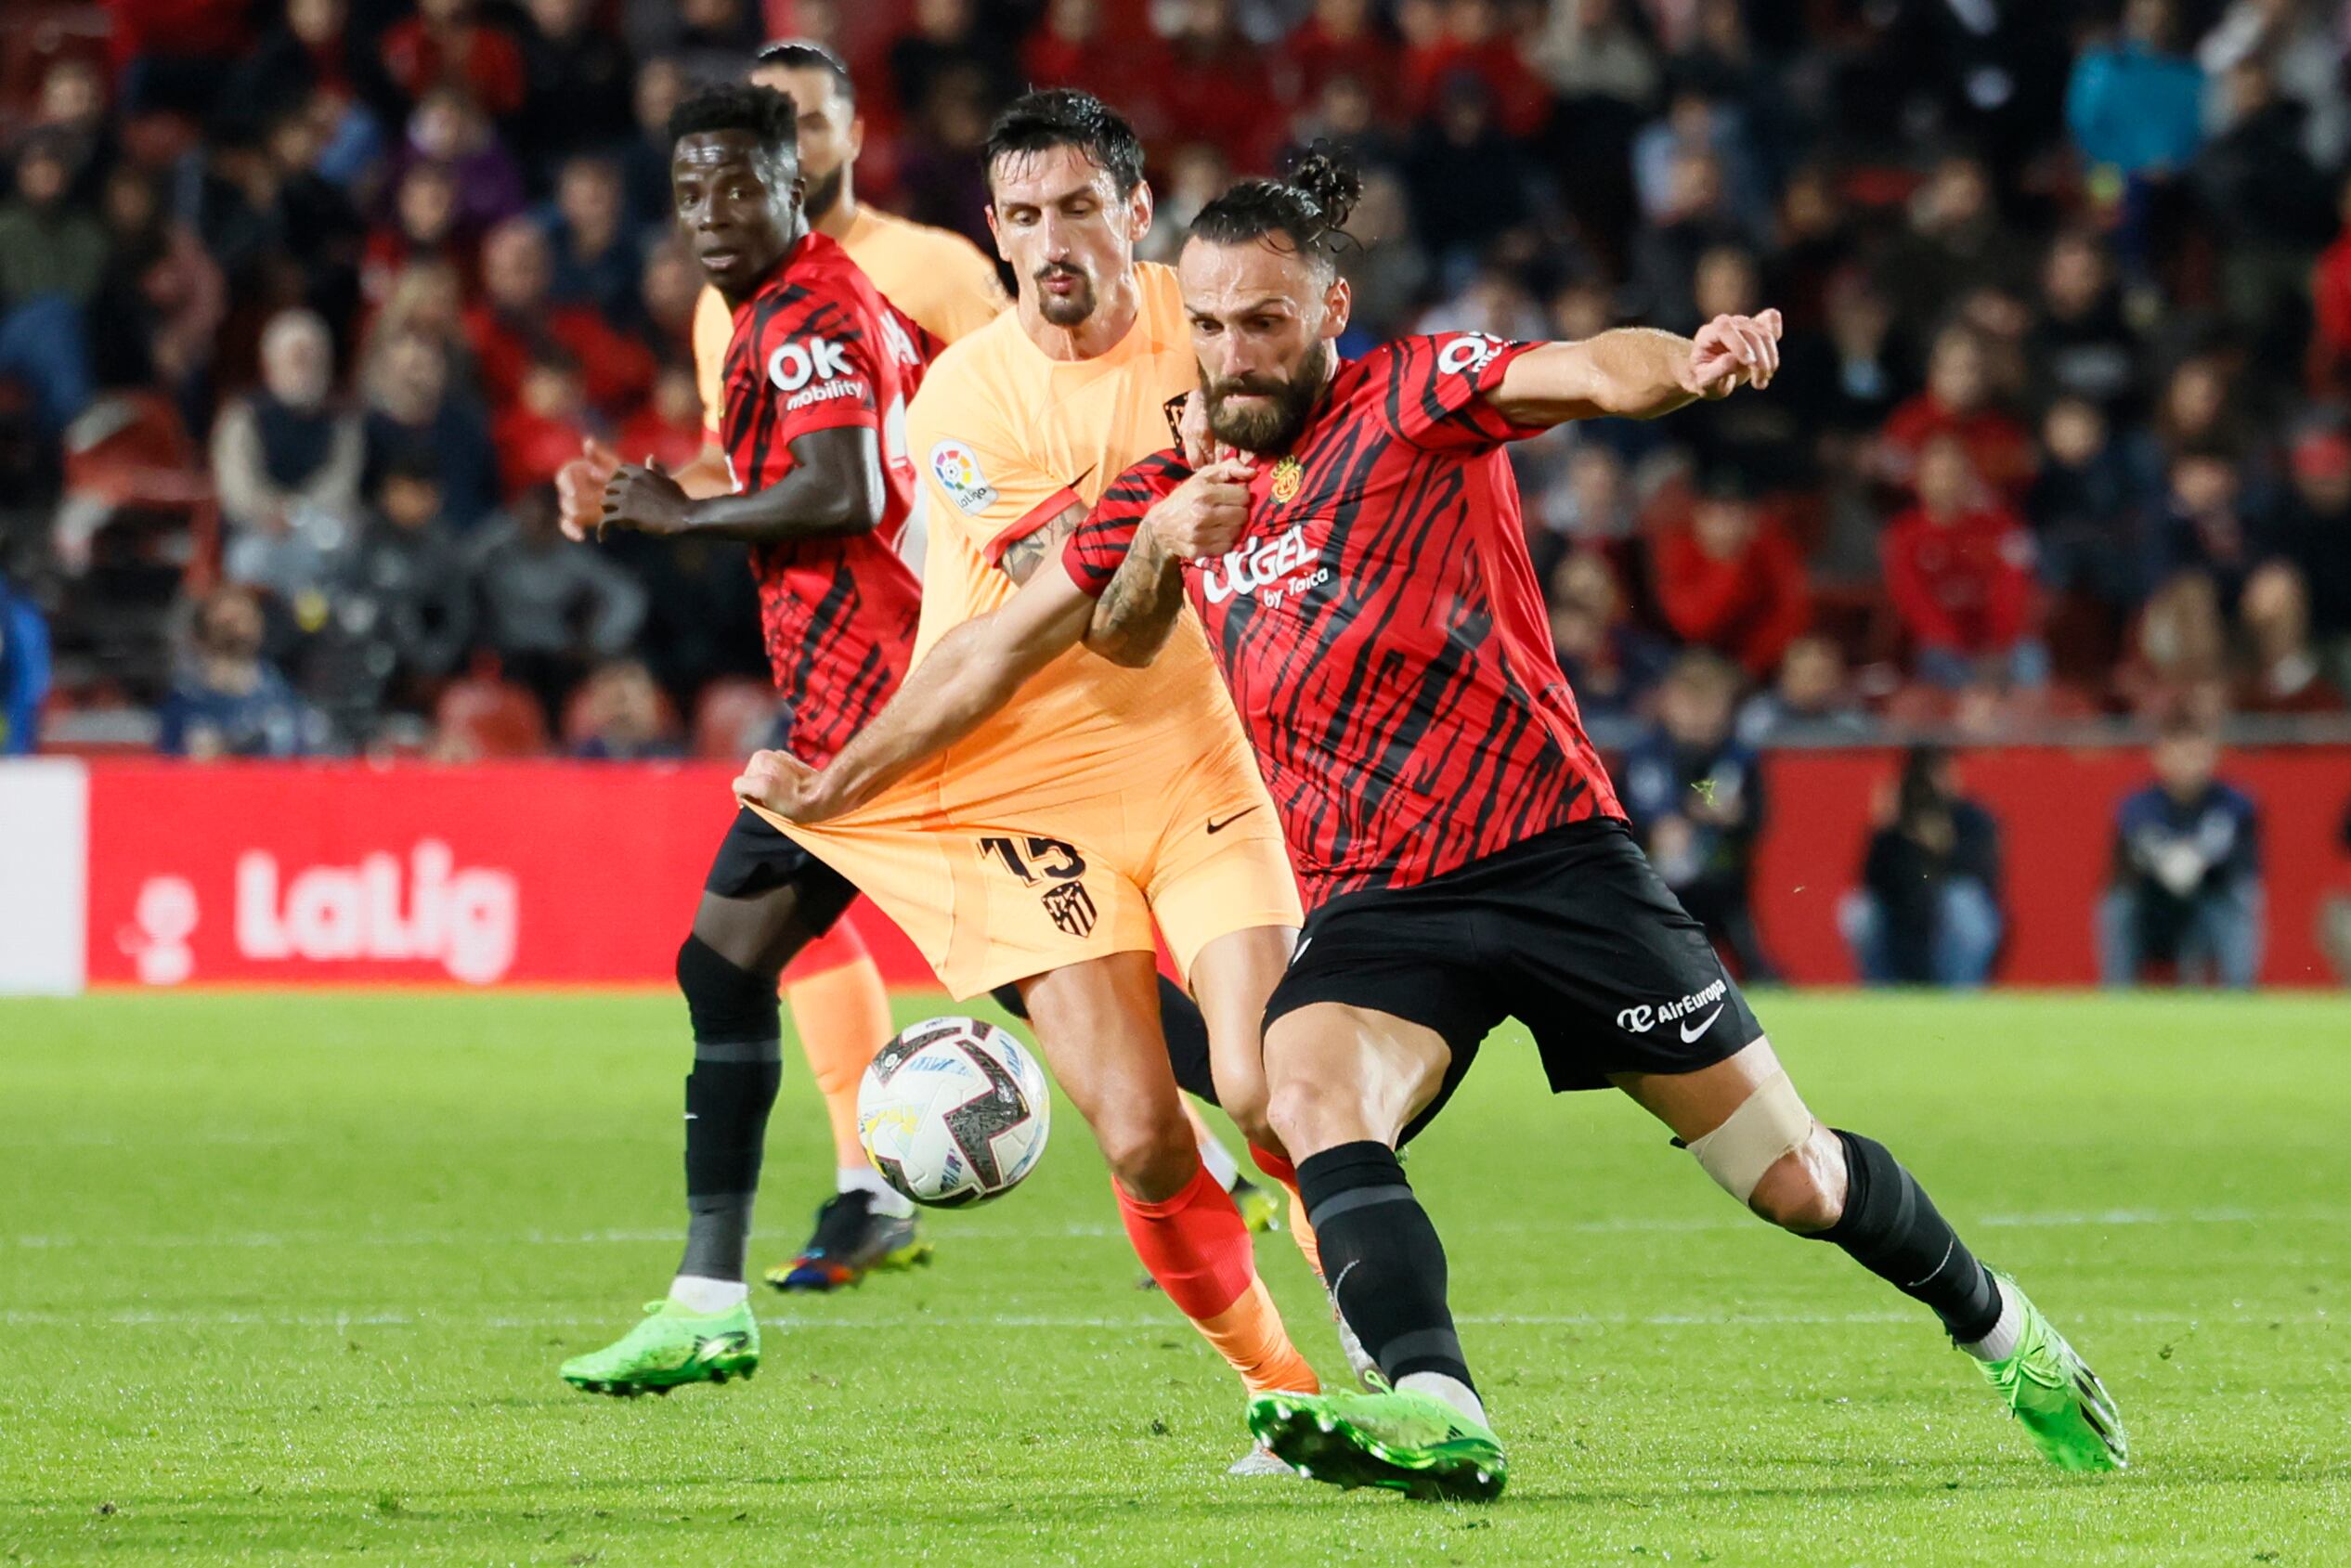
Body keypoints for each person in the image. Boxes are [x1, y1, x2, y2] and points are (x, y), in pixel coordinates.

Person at [743, 154, 2129, 1498]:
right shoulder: (1171, 482)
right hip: (1378, 901)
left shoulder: (1415, 395)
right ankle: (1435, 1403)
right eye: (1212, 325)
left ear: (1330, 313)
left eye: (1265, 323)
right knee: (1296, 1088)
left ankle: (2006, 1329)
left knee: (1796, 1181)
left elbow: (1584, 369)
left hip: (1555, 863)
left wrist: (1689, 363)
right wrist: (836, 779)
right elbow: (991, 653)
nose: (1232, 354)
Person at [721, 89, 1327, 1468]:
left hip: (1188, 750)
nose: (1050, 240)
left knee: (1267, 1085)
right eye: (1022, 216)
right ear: (993, 232)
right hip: (1018, 780)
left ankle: (1395, 1343)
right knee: (1142, 1140)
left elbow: (1329, 431)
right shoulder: (967, 398)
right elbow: (1014, 641)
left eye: (1075, 208)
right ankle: (1281, 1392)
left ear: (1135, 210)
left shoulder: (1215, 321)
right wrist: (837, 780)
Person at [552, 43, 1034, 1299]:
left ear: (811, 164)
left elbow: (859, 477)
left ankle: (1276, 1132)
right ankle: (721, 1287)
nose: (710, 212)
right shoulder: (749, 309)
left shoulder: (869, 285)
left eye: (741, 182)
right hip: (842, 693)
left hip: (910, 689)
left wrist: (674, 517)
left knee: (1066, 993)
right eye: (689, 192)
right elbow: (773, 470)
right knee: (727, 960)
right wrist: (640, 497)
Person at [1622, 651, 1780, 982]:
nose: (1700, 715)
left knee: (1755, 967)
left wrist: (1735, 819)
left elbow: (1758, 820)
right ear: (1669, 702)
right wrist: (1654, 832)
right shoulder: (1644, 756)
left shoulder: (1738, 759)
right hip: (1655, 888)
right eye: (1691, 701)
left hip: (1722, 885)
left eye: (1710, 703)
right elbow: (1619, 822)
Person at [2100, 719, 2263, 989]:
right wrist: (2168, 860)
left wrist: (2194, 860)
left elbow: (2234, 862)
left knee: (2241, 899)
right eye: (2180, 754)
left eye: (2196, 755)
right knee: (2118, 905)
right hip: (2150, 905)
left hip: (2210, 901)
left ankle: (2240, 992)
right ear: (2160, 757)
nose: (2189, 765)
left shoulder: (2234, 802)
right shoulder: (2138, 804)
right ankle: (2118, 994)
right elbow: (2139, 854)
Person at [1843, 746, 2004, 987]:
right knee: (1859, 911)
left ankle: (1962, 997)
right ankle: (1882, 995)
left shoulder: (1972, 818)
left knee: (1962, 903)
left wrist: (1941, 846)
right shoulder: (1897, 823)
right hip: (1902, 912)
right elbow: (1870, 879)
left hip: (1947, 907)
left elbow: (1982, 875)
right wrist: (1883, 830)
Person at [158, 586, 330, 759]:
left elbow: (308, 756)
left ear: (259, 627)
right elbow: (167, 764)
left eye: (243, 617)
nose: (236, 626)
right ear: (200, 633)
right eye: (226, 622)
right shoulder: (185, 703)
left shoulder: (282, 697)